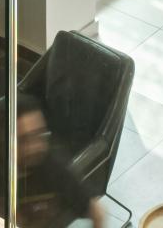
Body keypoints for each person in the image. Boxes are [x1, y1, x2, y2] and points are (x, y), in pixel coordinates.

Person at [9, 97, 106, 228]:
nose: (34, 147)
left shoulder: (53, 167)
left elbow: (97, 212)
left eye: (39, 135)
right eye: (23, 140)